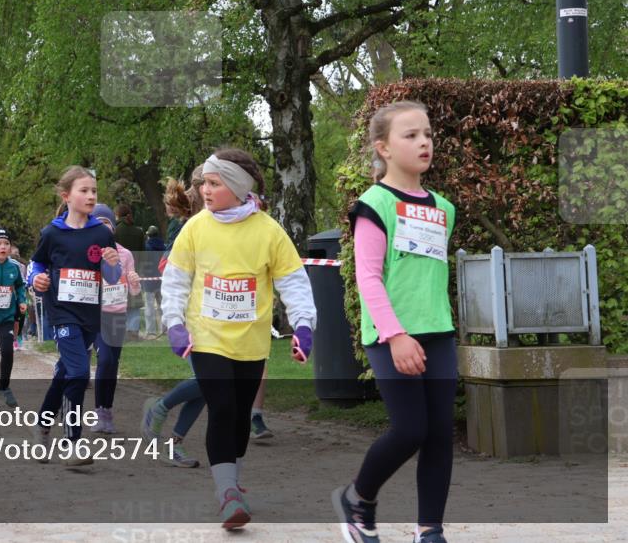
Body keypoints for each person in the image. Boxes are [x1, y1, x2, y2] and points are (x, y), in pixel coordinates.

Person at [161, 148, 316, 529]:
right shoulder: (195, 228)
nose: (205, 191)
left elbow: (294, 284)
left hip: (251, 342)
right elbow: (176, 281)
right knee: (223, 407)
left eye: (214, 184)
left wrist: (304, 326)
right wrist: (175, 324)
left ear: (237, 186)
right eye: (204, 184)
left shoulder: (268, 231)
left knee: (241, 418)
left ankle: (233, 480)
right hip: (207, 337)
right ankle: (227, 493)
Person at [332, 101, 456, 543]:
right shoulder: (374, 204)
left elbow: (426, 274)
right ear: (382, 148)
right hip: (390, 336)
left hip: (438, 332)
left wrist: (428, 327)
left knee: (440, 434)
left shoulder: (444, 207)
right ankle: (357, 499)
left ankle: (431, 531)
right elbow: (368, 277)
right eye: (411, 135)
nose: (424, 141)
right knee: (410, 430)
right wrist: (396, 334)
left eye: (427, 133)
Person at [28, 166, 121, 466]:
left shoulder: (102, 233)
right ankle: (72, 444)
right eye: (84, 191)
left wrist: (112, 263)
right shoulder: (52, 233)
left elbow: (113, 274)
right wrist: (36, 280)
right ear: (66, 196)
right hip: (62, 312)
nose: (91, 196)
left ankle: (42, 425)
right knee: (80, 373)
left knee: (65, 372)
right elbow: (37, 265)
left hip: (89, 314)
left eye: (94, 191)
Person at [140, 172, 206, 469]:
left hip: (216, 314)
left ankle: (173, 441)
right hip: (191, 314)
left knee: (210, 384)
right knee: (209, 380)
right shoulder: (185, 227)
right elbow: (168, 267)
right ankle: (160, 408)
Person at [88, 204, 141, 434]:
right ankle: (100, 412)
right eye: (98, 224)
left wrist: (135, 282)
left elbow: (134, 292)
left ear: (113, 227)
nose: (103, 228)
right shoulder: (89, 253)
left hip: (118, 315)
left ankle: (107, 412)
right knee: (105, 360)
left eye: (107, 224)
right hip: (97, 316)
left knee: (113, 365)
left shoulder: (125, 254)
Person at [0, 227, 26, 407]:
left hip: (7, 317)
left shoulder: (14, 267)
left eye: (6, 244)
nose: (3, 247)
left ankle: (4, 387)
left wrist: (22, 300)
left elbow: (19, 286)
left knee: (8, 350)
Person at [113, 204, 145, 340]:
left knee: (117, 302)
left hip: (118, 272)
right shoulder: (138, 232)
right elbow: (143, 254)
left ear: (117, 215)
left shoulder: (115, 231)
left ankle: (120, 331)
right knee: (134, 303)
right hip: (135, 271)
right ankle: (133, 332)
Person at [141, 225, 165, 338]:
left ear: (148, 236)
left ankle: (151, 331)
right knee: (162, 305)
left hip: (149, 280)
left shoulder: (146, 247)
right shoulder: (164, 246)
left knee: (149, 306)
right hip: (161, 279)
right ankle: (164, 329)